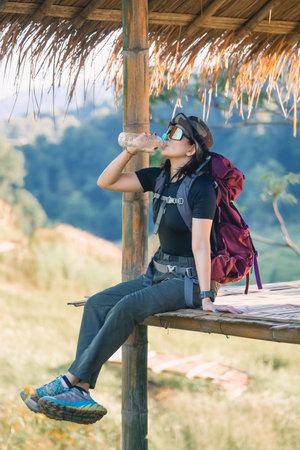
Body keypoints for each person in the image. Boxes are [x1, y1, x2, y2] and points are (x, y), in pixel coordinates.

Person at [20, 112, 242, 424]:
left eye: (177, 134)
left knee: (127, 307)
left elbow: (201, 245)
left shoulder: (202, 187)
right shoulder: (160, 177)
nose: (168, 136)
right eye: (170, 130)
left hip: (189, 281)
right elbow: (105, 181)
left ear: (192, 149)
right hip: (158, 273)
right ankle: (81, 390)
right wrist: (131, 150)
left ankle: (71, 382)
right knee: (98, 304)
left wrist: (207, 297)